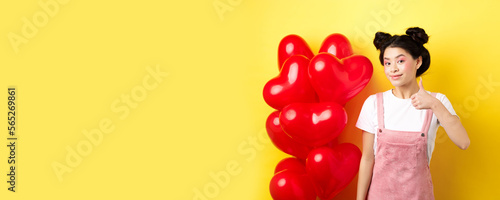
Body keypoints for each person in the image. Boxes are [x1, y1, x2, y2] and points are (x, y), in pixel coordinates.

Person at [355, 27, 470, 200]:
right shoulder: (373, 103)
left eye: (400, 61)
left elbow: (463, 142)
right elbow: (367, 159)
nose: (393, 69)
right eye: (387, 63)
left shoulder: (437, 101)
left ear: (418, 62)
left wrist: (433, 104)